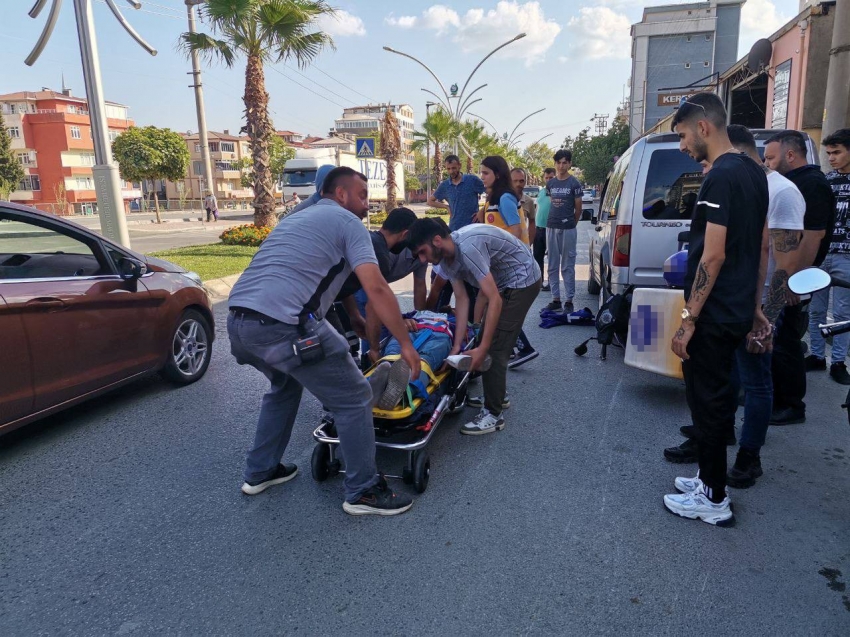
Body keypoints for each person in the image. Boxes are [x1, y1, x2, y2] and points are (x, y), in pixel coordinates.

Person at [226, 166, 421, 517]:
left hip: (239, 322)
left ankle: (261, 471)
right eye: (362, 196)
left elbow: (323, 276)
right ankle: (363, 490)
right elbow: (375, 286)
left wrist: (357, 320)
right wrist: (406, 344)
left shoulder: (298, 219)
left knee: (284, 386)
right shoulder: (349, 224)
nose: (367, 205)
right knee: (354, 397)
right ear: (341, 194)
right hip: (286, 327)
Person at [663, 93, 768, 526]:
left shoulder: (720, 177)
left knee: (707, 402)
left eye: (684, 136)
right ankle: (709, 477)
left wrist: (688, 321)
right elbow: (759, 247)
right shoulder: (754, 173)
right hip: (736, 308)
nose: (683, 146)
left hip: (715, 313)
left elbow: (714, 256)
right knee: (717, 399)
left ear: (703, 126)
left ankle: (714, 499)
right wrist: (757, 306)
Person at [409, 218, 541, 435]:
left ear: (437, 240)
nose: (423, 259)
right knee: (484, 342)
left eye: (422, 252)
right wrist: (455, 348)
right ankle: (497, 394)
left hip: (522, 281)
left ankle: (493, 414)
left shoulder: (468, 248)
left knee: (494, 349)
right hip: (504, 283)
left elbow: (495, 300)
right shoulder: (446, 260)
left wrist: (482, 349)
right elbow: (461, 300)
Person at [763, 130, 835, 424]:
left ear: (790, 155)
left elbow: (813, 236)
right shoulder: (793, 182)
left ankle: (792, 405)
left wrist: (793, 280)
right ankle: (775, 396)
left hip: (795, 279)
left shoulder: (810, 184)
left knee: (786, 343)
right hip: (786, 277)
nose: (766, 163)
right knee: (777, 341)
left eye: (770, 157)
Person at [807, 128, 850, 384]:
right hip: (822, 253)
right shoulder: (826, 181)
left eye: (837, 152)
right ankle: (815, 355)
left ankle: (838, 362)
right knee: (816, 309)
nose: (831, 157)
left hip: (847, 255)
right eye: (829, 152)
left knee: (844, 313)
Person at [545, 149, 584, 313]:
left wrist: (571, 223)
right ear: (555, 164)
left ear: (569, 164)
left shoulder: (574, 183)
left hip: (568, 228)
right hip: (551, 227)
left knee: (568, 265)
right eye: (559, 162)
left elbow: (578, 208)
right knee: (552, 265)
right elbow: (551, 203)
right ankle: (556, 298)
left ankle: (569, 299)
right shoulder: (551, 184)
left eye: (565, 162)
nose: (562, 166)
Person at [509, 166, 539, 369]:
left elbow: (532, 224)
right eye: (516, 181)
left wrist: (528, 247)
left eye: (522, 181)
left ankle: (522, 346)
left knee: (505, 307)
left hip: (518, 259)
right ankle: (511, 347)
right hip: (505, 258)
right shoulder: (501, 199)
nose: (519, 184)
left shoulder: (527, 202)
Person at [428, 154, 486, 231]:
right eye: (448, 169)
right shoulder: (445, 185)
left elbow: (491, 193)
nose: (451, 171)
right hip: (454, 228)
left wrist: (483, 210)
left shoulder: (472, 180)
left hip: (473, 227)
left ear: (459, 166)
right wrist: (446, 207)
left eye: (454, 168)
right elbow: (430, 201)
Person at [479, 156, 527, 243]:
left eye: (485, 173)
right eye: (481, 173)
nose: (482, 177)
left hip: (511, 255)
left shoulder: (505, 198)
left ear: (497, 175)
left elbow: (517, 232)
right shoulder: (495, 196)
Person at [535, 168, 556, 291]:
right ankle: (539, 282)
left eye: (551, 178)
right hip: (539, 229)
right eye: (546, 178)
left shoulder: (557, 192)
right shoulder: (541, 192)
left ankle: (551, 283)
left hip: (551, 229)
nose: (548, 180)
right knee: (537, 257)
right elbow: (538, 208)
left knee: (552, 259)